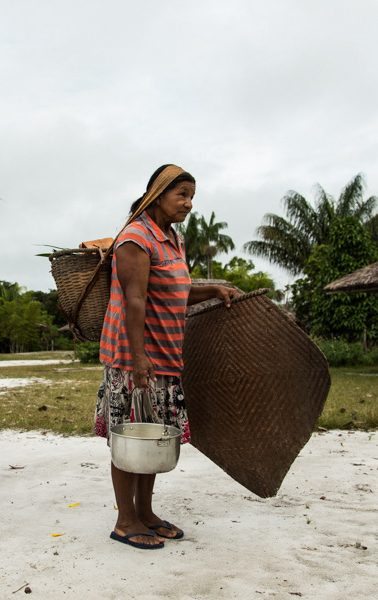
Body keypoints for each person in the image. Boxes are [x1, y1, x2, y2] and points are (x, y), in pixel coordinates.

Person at [95, 164, 240, 548]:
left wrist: (213, 290)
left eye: (192, 196)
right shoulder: (136, 237)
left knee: (153, 438)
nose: (188, 203)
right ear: (158, 195)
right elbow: (135, 299)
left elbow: (176, 291)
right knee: (130, 439)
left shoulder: (173, 239)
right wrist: (139, 357)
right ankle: (125, 520)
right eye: (182, 195)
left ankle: (145, 513)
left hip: (165, 355)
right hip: (132, 358)